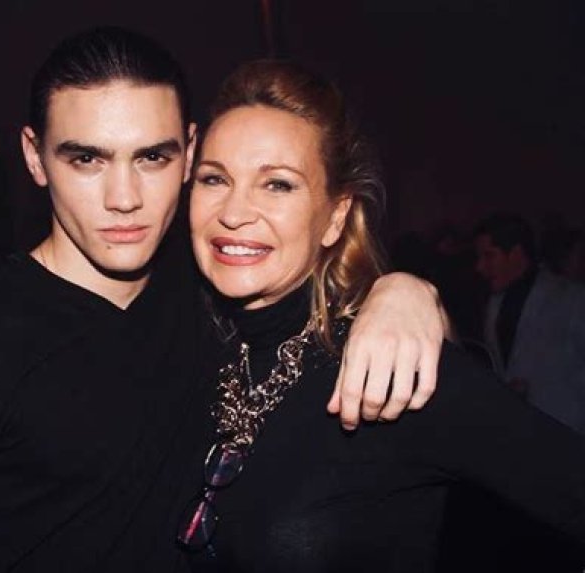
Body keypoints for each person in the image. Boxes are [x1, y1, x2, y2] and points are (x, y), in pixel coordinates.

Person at [0, 28, 447, 572]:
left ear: (190, 152)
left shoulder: (211, 285)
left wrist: (405, 292)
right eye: (86, 158)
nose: (124, 198)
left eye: (152, 157)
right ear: (34, 156)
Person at [177, 60, 585, 572]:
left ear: (336, 217)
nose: (234, 213)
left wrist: (413, 291)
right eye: (215, 178)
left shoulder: (392, 368)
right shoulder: (188, 350)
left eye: (277, 184)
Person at [475, 212, 585, 433]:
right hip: (520, 431)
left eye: (489, 256)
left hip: (568, 430)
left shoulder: (572, 298)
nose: (480, 266)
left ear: (516, 254)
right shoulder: (494, 301)